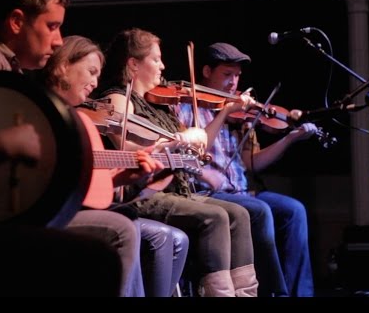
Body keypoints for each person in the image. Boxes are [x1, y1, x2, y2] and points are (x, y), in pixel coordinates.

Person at [0, 0, 122, 297]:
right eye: (52, 26)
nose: (58, 41)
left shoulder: (9, 69)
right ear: (17, 22)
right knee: (109, 246)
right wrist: (1, 145)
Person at [97, 27, 258, 297]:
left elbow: (198, 147)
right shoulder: (118, 98)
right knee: (215, 216)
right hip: (147, 193)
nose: (163, 65)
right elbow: (129, 149)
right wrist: (178, 138)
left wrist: (220, 116)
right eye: (156, 59)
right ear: (134, 64)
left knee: (239, 214)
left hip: (177, 189)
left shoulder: (161, 104)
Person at [40, 34, 189, 297]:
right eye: (91, 72)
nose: (95, 82)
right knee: (124, 227)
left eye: (99, 75)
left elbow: (89, 188)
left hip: (72, 208)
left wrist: (128, 177)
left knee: (153, 230)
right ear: (63, 65)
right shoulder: (41, 111)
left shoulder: (79, 121)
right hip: (47, 214)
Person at [176, 42, 316, 297]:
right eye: (226, 75)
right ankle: (275, 292)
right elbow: (191, 151)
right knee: (260, 211)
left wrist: (288, 139)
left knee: (294, 211)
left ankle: (300, 293)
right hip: (208, 193)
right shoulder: (186, 107)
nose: (233, 82)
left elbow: (252, 163)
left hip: (241, 191)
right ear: (206, 71)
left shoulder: (239, 114)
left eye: (237, 75)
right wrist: (225, 112)